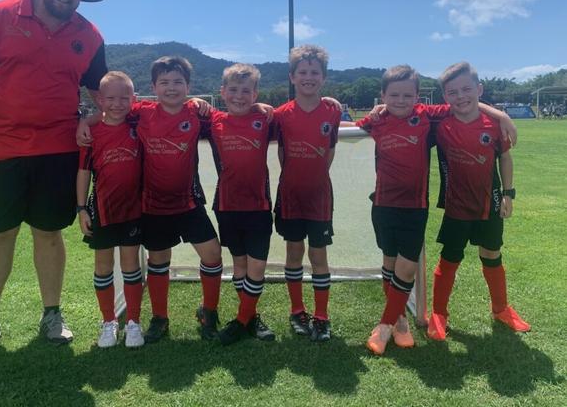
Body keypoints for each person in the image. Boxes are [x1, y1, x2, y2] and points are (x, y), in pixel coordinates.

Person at [0, 0, 109, 357]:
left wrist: (94, 118)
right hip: (1, 149)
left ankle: (52, 315)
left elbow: (106, 95)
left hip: (58, 150)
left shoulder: (89, 35)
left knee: (49, 233)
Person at [353, 65, 517, 355]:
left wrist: (501, 114)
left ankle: (385, 324)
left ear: (418, 97)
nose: (401, 100)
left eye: (407, 95)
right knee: (389, 263)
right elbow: (351, 131)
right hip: (384, 204)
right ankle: (402, 320)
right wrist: (375, 108)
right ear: (383, 95)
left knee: (407, 265)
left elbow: (464, 102)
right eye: (394, 95)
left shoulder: (427, 117)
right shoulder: (378, 120)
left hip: (417, 206)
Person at [78, 56, 223, 343]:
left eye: (178, 82)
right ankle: (159, 318)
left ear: (188, 86)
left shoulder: (198, 113)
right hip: (153, 205)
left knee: (212, 255)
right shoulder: (141, 113)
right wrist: (86, 120)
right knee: (159, 260)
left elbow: (234, 118)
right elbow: (111, 113)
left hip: (189, 201)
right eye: (165, 83)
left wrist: (261, 107)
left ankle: (209, 312)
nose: (171, 88)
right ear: (153, 87)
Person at [427, 62, 530, 341]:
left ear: (479, 89)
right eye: (452, 92)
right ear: (445, 97)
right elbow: (403, 109)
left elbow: (505, 158)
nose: (460, 96)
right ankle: (439, 313)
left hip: (491, 203)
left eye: (466, 89)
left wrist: (508, 194)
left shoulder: (494, 125)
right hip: (456, 205)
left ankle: (501, 309)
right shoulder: (440, 123)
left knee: (492, 254)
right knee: (450, 258)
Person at [204, 63, 276, 345]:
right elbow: (183, 114)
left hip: (258, 206)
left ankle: (242, 320)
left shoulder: (266, 119)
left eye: (246, 91)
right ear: (222, 92)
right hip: (227, 206)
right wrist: (195, 100)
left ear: (255, 93)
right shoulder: (213, 121)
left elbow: (303, 123)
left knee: (257, 268)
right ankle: (252, 316)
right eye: (233, 90)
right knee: (240, 266)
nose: (239, 96)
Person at [274, 45, 341, 342]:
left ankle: (322, 316)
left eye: (315, 72)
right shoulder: (280, 115)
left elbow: (329, 152)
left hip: (319, 196)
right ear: (292, 77)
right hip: (290, 195)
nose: (308, 77)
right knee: (293, 251)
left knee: (318, 254)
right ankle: (297, 310)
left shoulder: (333, 110)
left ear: (323, 78)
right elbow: (278, 150)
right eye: (303, 72)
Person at [76, 71, 145, 348]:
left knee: (130, 265)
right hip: (102, 210)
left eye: (123, 98)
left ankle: (134, 322)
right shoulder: (91, 133)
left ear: (134, 99)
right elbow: (83, 173)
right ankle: (108, 321)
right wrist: (81, 208)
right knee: (103, 266)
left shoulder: (139, 125)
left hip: (133, 210)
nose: (117, 104)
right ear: (100, 100)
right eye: (111, 98)